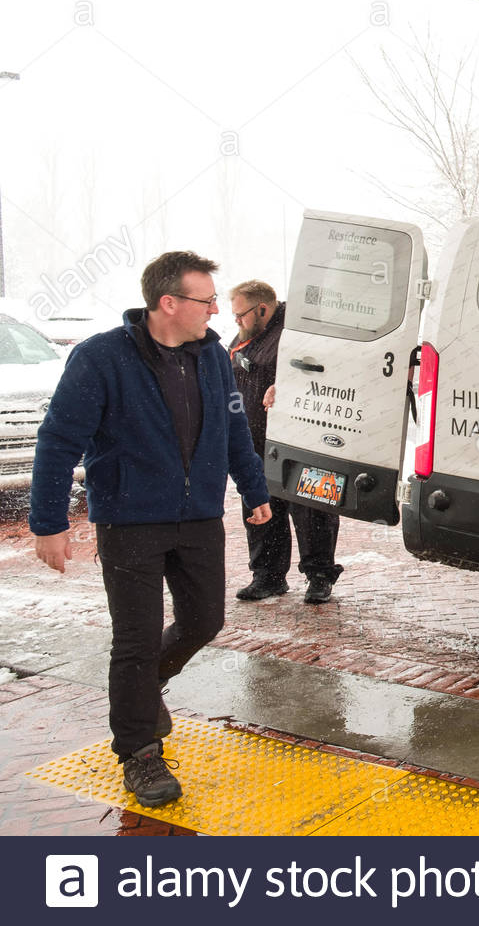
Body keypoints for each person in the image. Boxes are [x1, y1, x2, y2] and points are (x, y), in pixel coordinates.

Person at [29, 251, 272, 807]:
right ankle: (139, 753)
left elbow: (234, 427)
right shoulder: (101, 359)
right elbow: (59, 440)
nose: (216, 310)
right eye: (206, 300)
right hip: (130, 521)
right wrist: (48, 522)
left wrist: (253, 489)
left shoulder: (212, 356)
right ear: (169, 303)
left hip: (199, 519)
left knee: (205, 620)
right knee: (136, 640)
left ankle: (141, 693)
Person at [227, 279, 342, 604]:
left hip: (303, 441)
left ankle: (319, 575)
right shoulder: (246, 336)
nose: (236, 321)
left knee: (312, 510)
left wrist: (287, 388)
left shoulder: (299, 331)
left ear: (262, 308)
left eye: (241, 315)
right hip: (256, 442)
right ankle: (268, 576)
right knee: (261, 509)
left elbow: (327, 373)